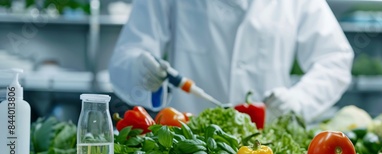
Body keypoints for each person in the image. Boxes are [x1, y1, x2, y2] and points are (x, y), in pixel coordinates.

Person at [108, 0, 354, 123]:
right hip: (188, 142)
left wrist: (300, 100)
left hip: (265, 149)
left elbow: (335, 59)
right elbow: (128, 52)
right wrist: (140, 69)